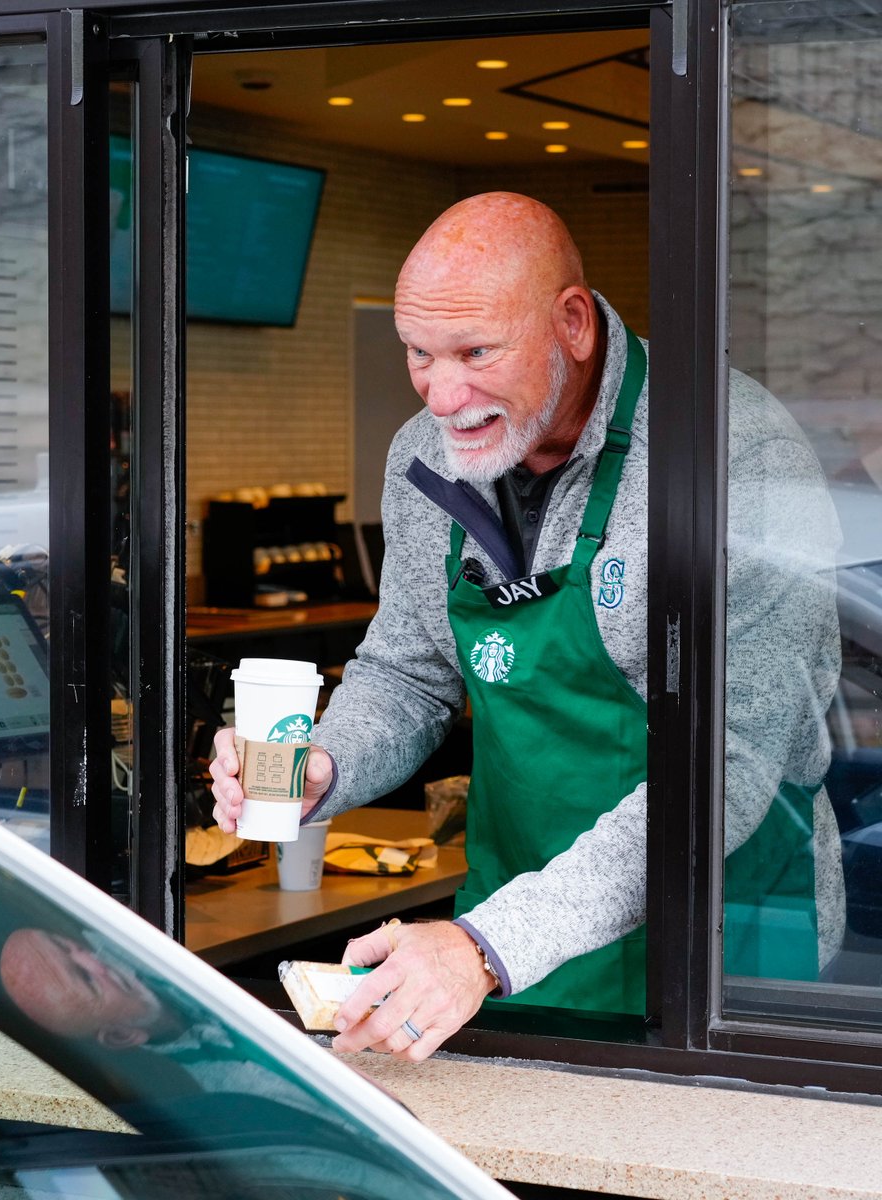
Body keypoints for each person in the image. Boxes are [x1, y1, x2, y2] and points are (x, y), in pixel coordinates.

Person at [211, 193, 843, 1062]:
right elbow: (408, 671)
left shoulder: (731, 452)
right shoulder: (425, 456)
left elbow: (729, 762)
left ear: (574, 324)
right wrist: (321, 767)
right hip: (511, 933)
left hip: (722, 932)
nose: (443, 393)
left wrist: (486, 944)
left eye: (475, 352)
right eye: (418, 354)